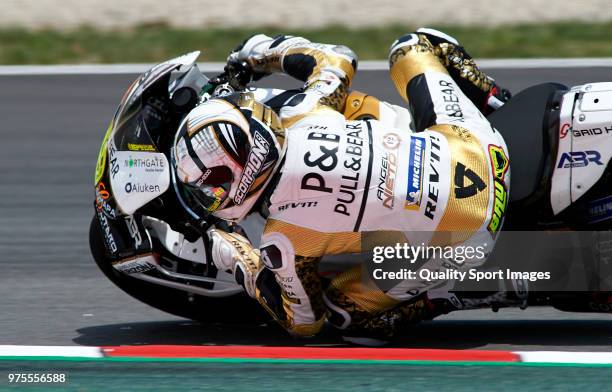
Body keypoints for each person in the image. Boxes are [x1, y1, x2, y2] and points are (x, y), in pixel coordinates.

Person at [172, 28, 511, 342]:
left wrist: (238, 258)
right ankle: (497, 103)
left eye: (212, 187)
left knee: (346, 315)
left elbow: (304, 322)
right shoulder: (309, 112)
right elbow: (337, 57)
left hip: (472, 229)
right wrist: (257, 52)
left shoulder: (284, 237)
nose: (209, 195)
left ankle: (452, 293)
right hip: (480, 146)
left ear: (241, 180)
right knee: (412, 45)